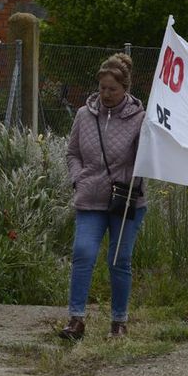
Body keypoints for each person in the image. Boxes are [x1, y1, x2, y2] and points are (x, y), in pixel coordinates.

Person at [60, 53, 146, 340]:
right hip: (90, 196)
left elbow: (148, 158)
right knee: (83, 252)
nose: (107, 94)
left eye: (113, 89)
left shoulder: (140, 118)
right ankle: (76, 319)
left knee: (119, 259)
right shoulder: (85, 115)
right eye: (102, 89)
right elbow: (72, 152)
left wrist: (134, 178)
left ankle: (119, 321)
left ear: (126, 89)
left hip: (125, 199)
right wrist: (78, 177)